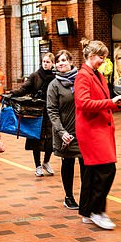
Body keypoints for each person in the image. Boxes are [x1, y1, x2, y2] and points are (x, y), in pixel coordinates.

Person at [75, 40, 121, 230]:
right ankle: (98, 211)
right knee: (106, 171)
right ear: (91, 56)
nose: (103, 60)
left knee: (92, 172)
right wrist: (110, 102)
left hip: (99, 129)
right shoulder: (83, 76)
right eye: (101, 57)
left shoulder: (97, 75)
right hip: (92, 131)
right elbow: (83, 103)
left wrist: (115, 103)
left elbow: (101, 100)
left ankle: (87, 211)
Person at [47, 50, 83, 210]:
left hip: (82, 130)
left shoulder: (81, 80)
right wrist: (62, 132)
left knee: (85, 164)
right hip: (65, 131)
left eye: (63, 60)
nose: (61, 63)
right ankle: (68, 197)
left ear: (70, 61)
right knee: (68, 162)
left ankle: (86, 195)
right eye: (58, 61)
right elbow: (52, 111)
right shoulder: (54, 85)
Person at [9, 53, 56, 177]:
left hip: (50, 112)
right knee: (36, 138)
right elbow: (24, 89)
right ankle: (38, 165)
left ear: (52, 64)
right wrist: (13, 93)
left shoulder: (55, 77)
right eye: (44, 61)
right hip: (37, 112)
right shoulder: (35, 76)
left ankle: (46, 162)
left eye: (48, 62)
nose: (45, 64)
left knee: (50, 140)